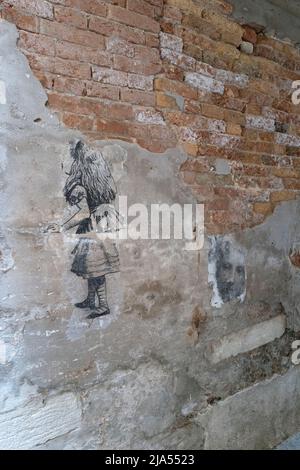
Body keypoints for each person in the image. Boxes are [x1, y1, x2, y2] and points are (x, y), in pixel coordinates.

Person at [62, 140, 120, 319]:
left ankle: (103, 305)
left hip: (93, 224)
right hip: (104, 222)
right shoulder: (103, 177)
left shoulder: (81, 180)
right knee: (94, 267)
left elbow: (83, 212)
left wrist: (61, 226)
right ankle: (90, 299)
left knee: (96, 268)